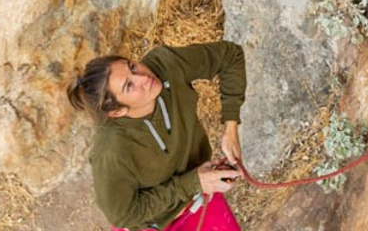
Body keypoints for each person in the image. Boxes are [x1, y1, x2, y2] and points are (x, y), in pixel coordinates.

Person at [67, 42, 246, 231]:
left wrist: (231, 127)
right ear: (118, 111)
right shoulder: (110, 151)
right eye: (129, 85)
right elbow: (124, 215)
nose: (144, 77)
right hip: (154, 224)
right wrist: (193, 183)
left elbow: (231, 56)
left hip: (199, 198)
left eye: (132, 67)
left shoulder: (166, 64)